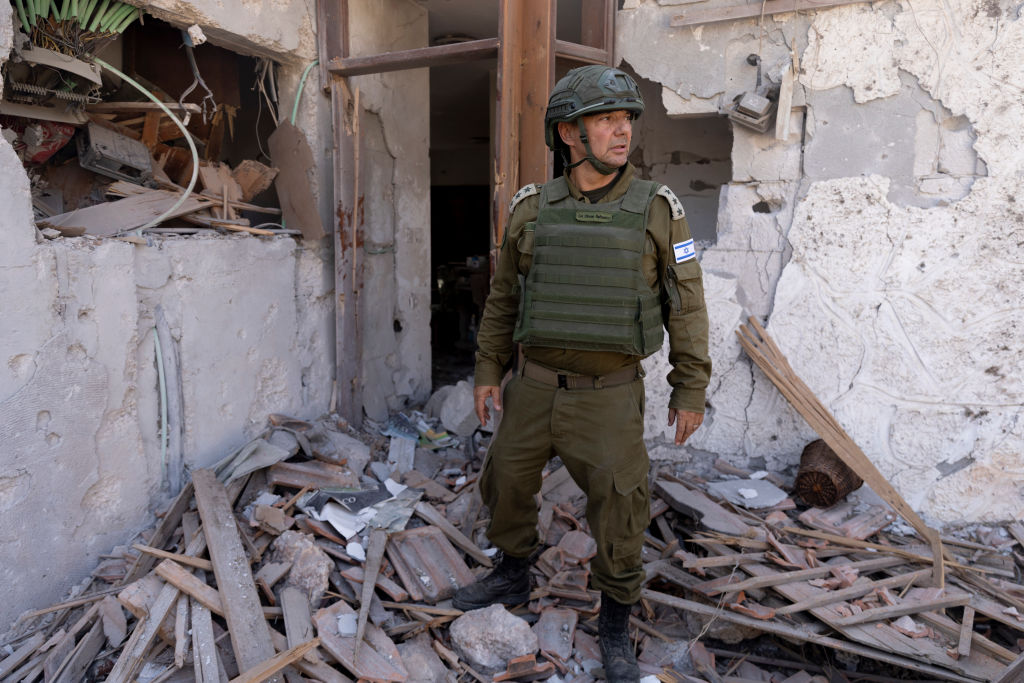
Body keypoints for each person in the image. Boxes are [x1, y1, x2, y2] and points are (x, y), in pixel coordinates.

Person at [452, 65, 711, 682]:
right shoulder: (532, 208)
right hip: (534, 385)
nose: (622, 132)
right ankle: (513, 569)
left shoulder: (658, 209)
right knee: (507, 483)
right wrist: (489, 368)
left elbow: (687, 305)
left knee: (620, 511)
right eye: (606, 120)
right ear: (569, 133)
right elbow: (504, 299)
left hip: (610, 395)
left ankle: (616, 618)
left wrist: (690, 386)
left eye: (626, 120)